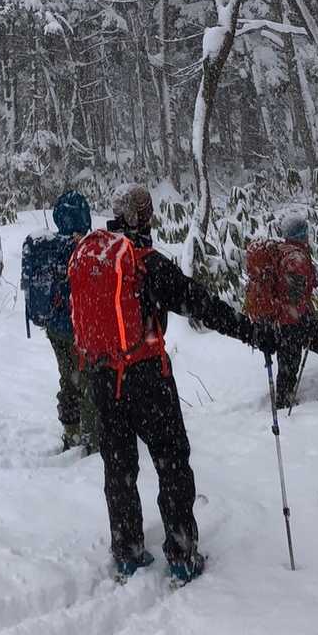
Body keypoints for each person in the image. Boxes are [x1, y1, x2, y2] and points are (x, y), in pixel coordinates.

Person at [69, 184, 273, 585]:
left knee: (118, 466)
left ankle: (127, 551)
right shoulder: (148, 264)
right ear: (145, 217)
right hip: (147, 378)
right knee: (172, 461)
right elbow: (202, 305)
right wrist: (252, 332)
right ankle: (181, 555)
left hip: (101, 376)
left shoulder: (93, 256)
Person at [20, 190, 99, 454]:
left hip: (54, 328)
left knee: (68, 379)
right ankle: (91, 441)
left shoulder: (48, 246)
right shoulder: (81, 249)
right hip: (78, 329)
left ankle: (71, 433)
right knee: (87, 381)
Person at [252, 212, 318, 407]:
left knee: (287, 371)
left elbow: (287, 283)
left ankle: (284, 405)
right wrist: (305, 316)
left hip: (279, 324)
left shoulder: (281, 251)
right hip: (294, 324)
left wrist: (317, 280)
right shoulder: (296, 257)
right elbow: (294, 293)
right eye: (306, 231)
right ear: (301, 234)